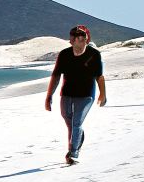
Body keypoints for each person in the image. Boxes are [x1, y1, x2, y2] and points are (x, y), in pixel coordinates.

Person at [44, 24, 107, 165]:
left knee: (77, 122)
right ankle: (78, 137)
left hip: (86, 95)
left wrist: (103, 94)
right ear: (71, 40)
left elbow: (99, 76)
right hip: (67, 93)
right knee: (68, 120)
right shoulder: (64, 55)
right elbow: (56, 76)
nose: (80, 40)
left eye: (83, 37)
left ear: (87, 39)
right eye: (77, 38)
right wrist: (49, 96)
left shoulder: (94, 55)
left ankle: (72, 153)